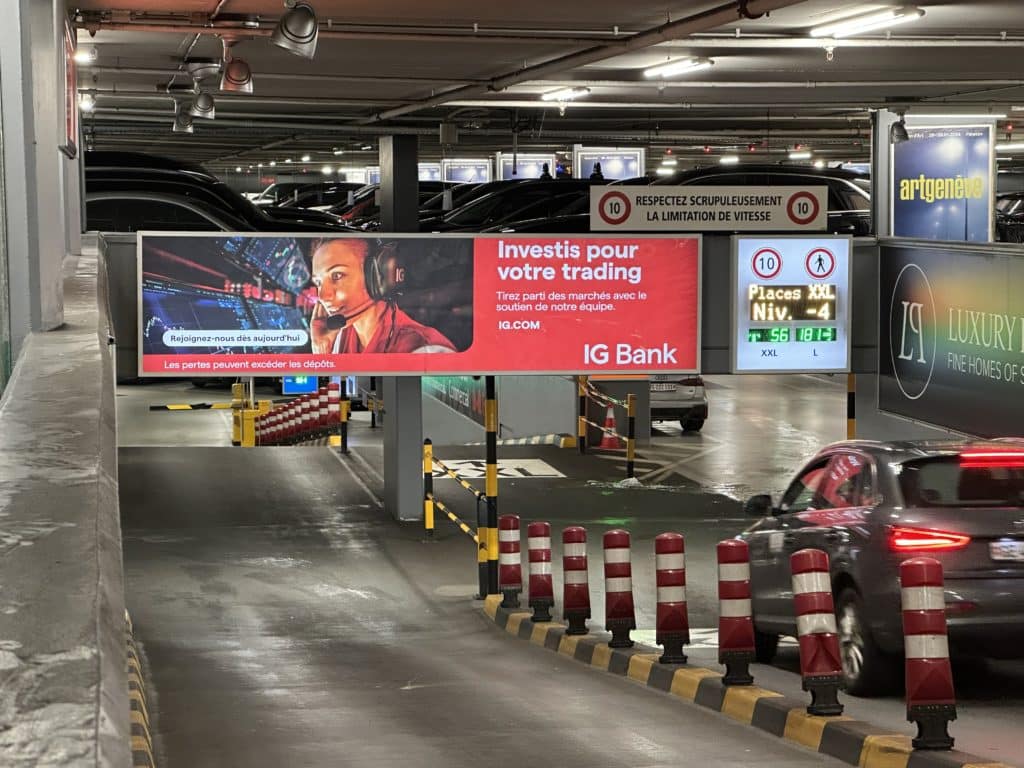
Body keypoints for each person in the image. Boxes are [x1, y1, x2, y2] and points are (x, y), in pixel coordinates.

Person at [308, 238, 457, 354]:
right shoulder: (341, 336)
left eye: (337, 275)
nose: (323, 296)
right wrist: (323, 350)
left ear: (379, 275)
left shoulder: (424, 350)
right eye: (319, 282)